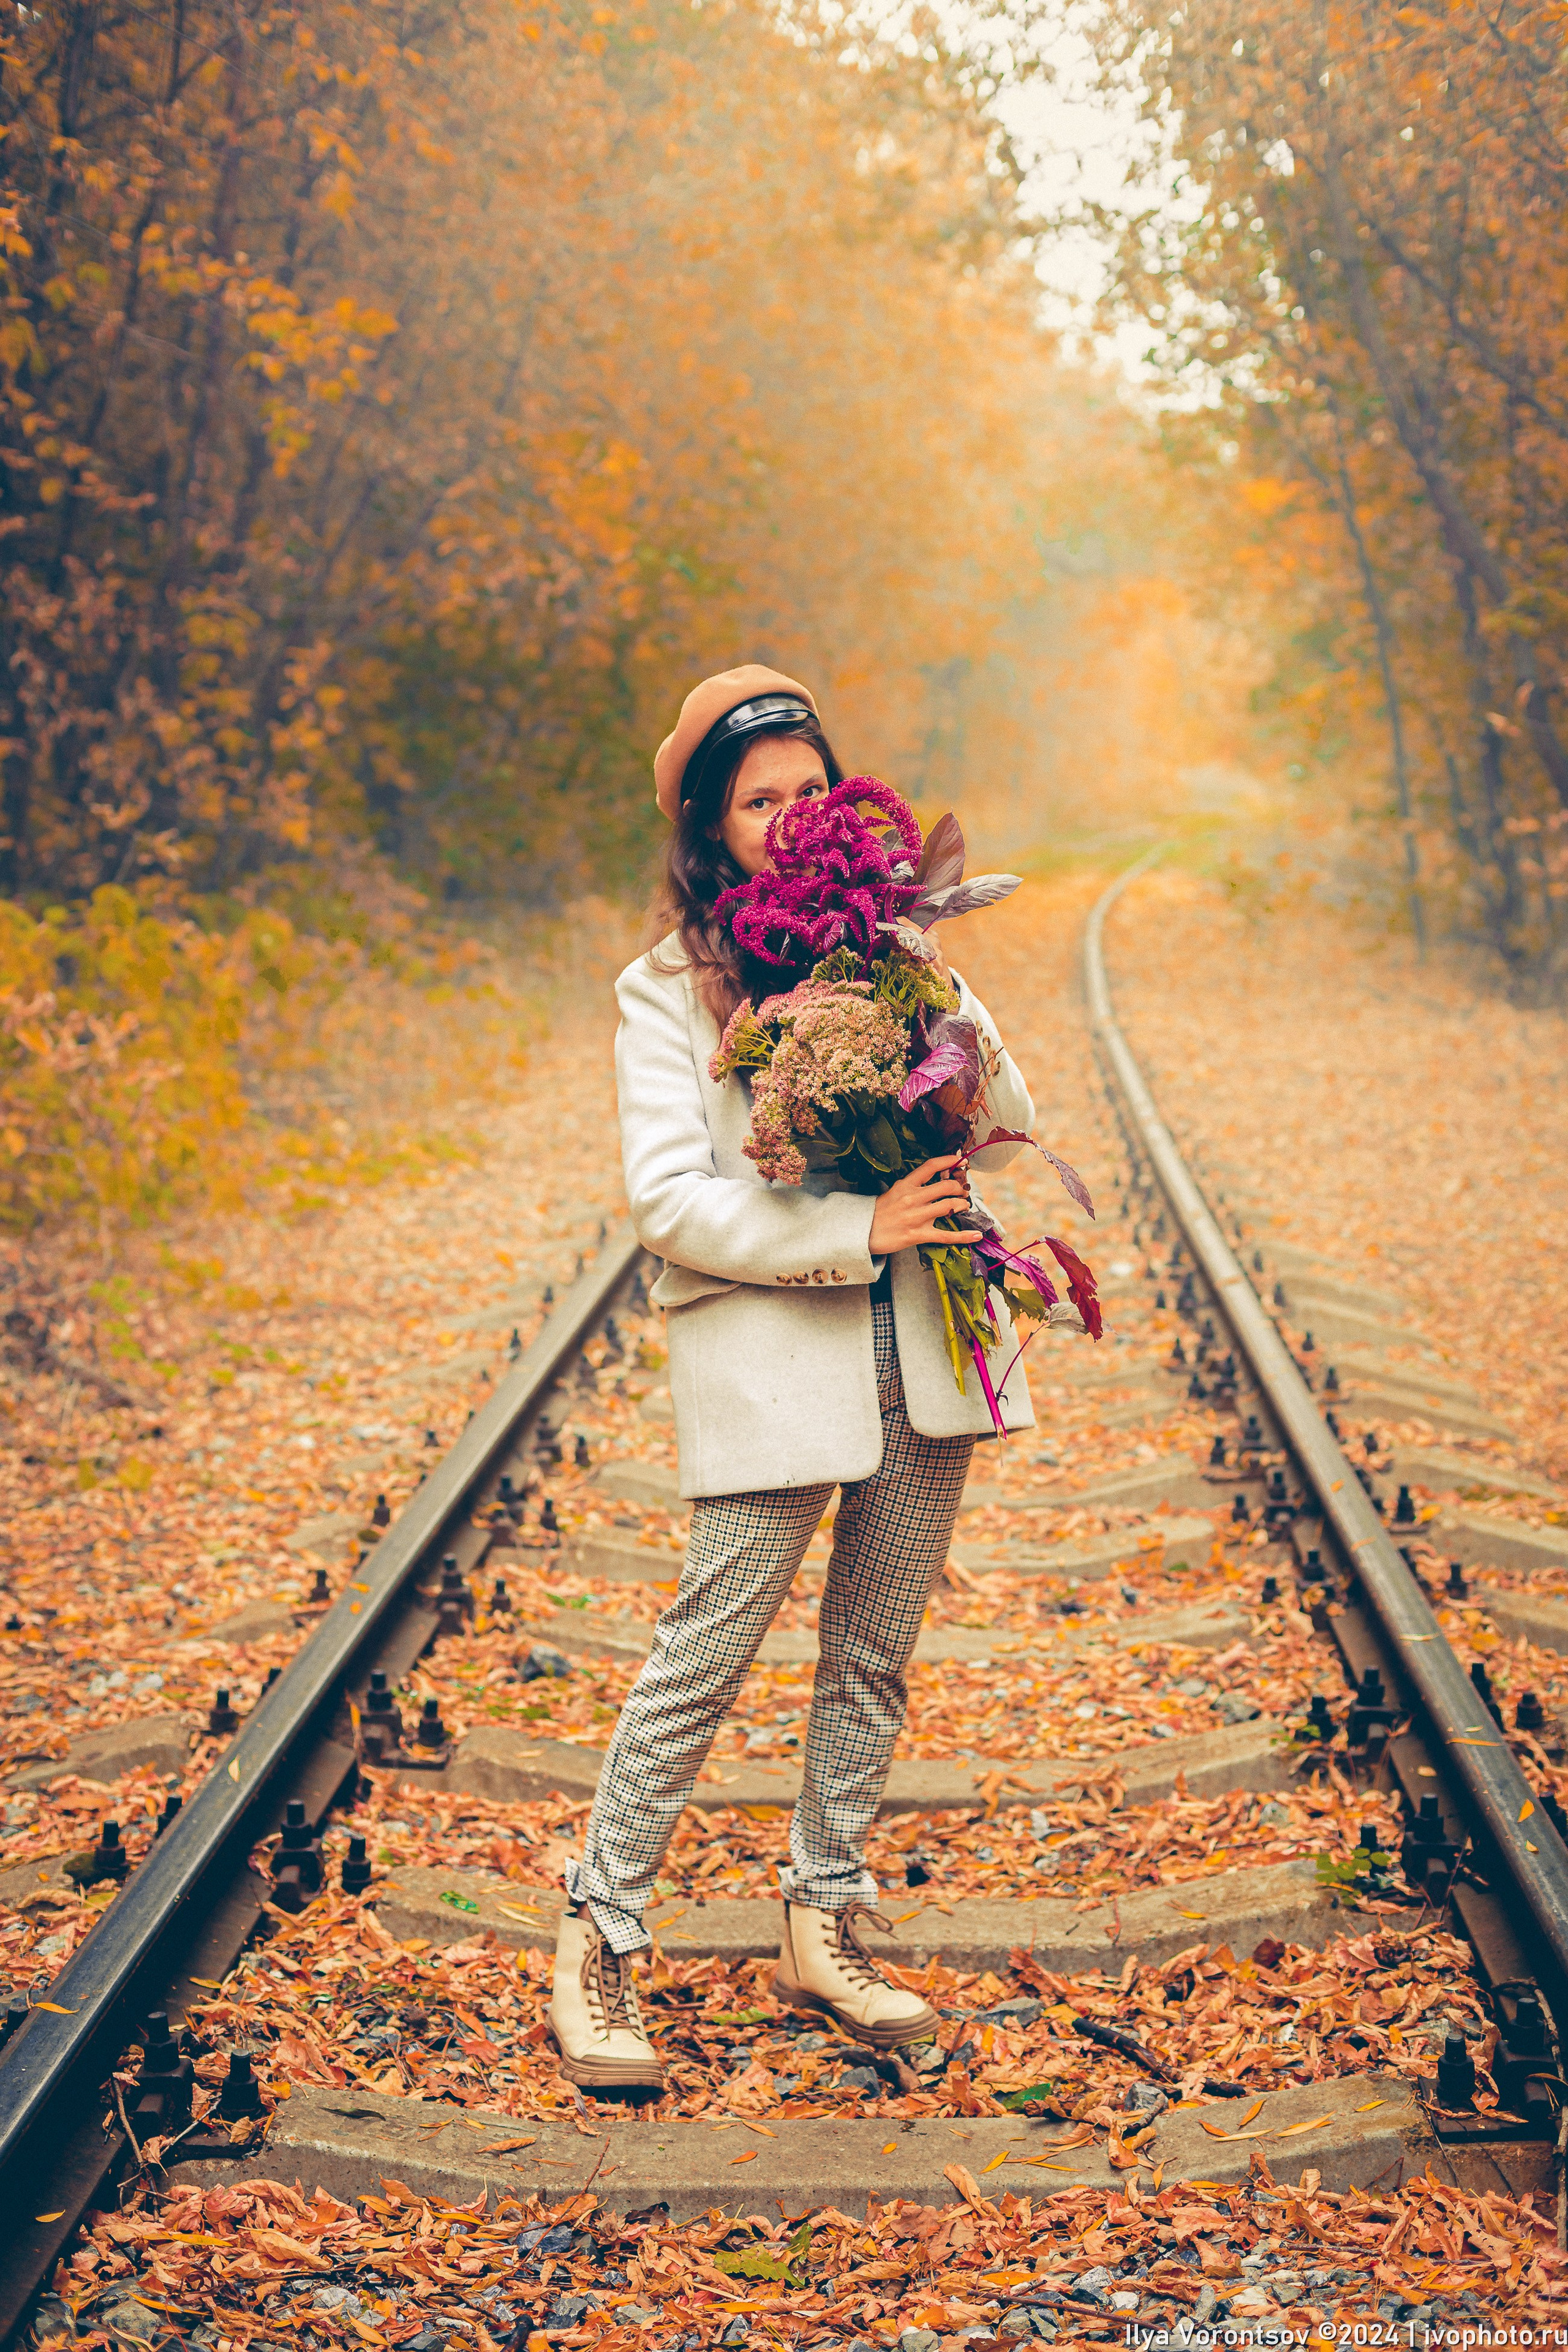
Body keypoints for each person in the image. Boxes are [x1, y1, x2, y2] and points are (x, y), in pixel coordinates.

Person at [548, 665, 1036, 2089]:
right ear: (710, 825)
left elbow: (1008, 1114)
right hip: (774, 1359)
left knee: (871, 1654)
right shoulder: (663, 991)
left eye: (811, 789)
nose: (792, 816)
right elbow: (668, 1201)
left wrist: (924, 992)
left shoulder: (897, 946)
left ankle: (822, 1921)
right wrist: (851, 1228)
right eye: (759, 800)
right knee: (705, 1652)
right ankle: (596, 1939)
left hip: (926, 1346)